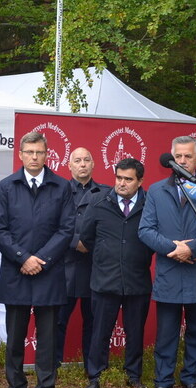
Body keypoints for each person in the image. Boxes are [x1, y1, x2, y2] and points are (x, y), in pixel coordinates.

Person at [138, 136, 196, 388]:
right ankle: (163, 382)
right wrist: (173, 248)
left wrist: (194, 248)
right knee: (166, 332)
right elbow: (145, 230)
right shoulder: (156, 190)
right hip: (169, 272)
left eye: (188, 156)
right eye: (178, 156)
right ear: (172, 158)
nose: (182, 161)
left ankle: (192, 379)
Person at [0, 132, 74, 388]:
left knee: (48, 339)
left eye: (39, 152)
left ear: (47, 153)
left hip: (48, 274)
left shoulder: (62, 187)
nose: (34, 157)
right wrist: (23, 258)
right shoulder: (6, 187)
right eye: (29, 152)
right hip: (16, 273)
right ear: (21, 154)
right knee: (15, 338)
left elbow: (66, 229)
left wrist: (41, 259)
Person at [79, 158, 153, 388]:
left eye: (128, 179)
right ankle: (95, 376)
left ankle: (134, 375)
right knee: (99, 331)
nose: (122, 183)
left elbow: (155, 237)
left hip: (137, 280)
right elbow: (86, 237)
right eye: (119, 178)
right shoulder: (99, 201)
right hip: (104, 280)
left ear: (140, 181)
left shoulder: (150, 204)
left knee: (135, 331)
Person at [55, 147, 111, 371]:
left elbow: (109, 228)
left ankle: (94, 370)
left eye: (87, 159)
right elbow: (50, 224)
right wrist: (74, 241)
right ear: (69, 165)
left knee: (94, 323)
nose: (82, 164)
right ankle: (51, 367)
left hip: (94, 267)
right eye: (77, 160)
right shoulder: (58, 191)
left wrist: (89, 244)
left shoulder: (106, 192)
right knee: (57, 321)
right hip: (63, 268)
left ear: (93, 164)